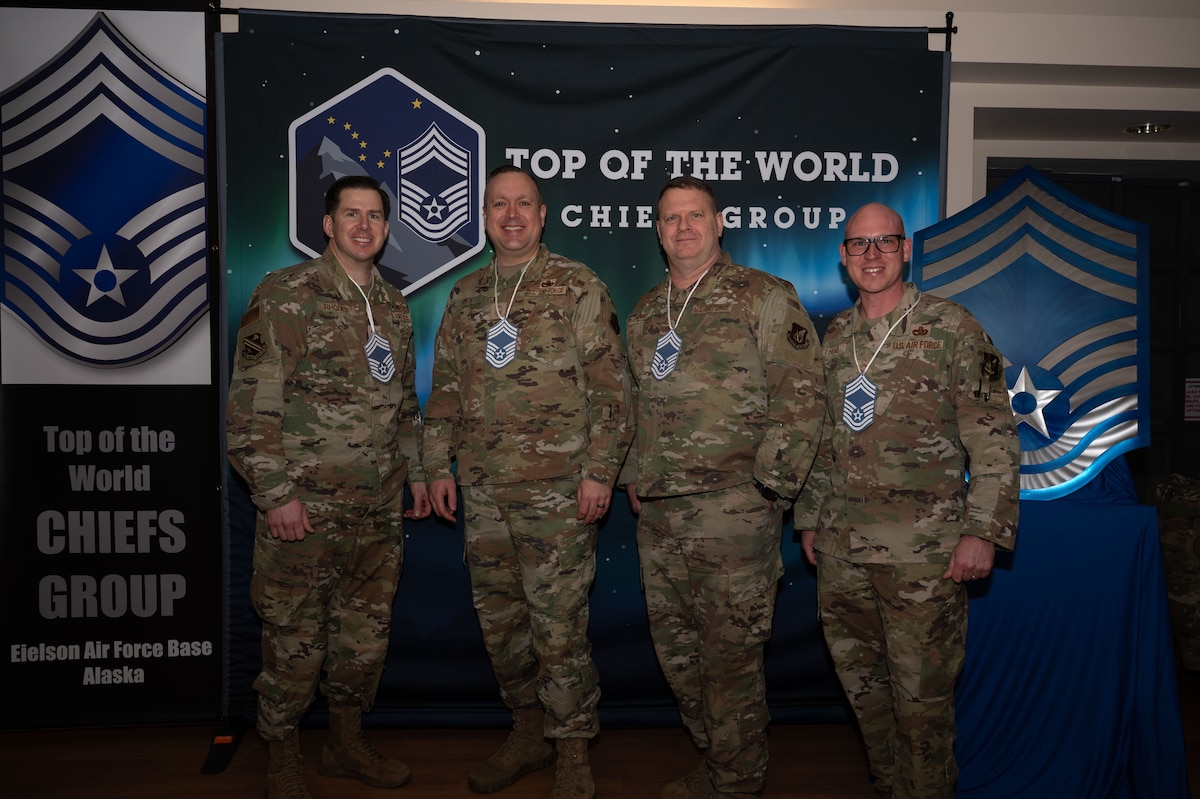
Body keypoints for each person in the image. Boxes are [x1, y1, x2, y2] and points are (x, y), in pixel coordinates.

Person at [796, 202, 1020, 799]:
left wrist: (983, 532)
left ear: (905, 249)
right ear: (843, 257)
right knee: (867, 698)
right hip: (843, 554)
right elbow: (823, 437)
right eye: (859, 245)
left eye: (885, 242)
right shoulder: (835, 337)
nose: (872, 255)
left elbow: (993, 438)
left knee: (922, 710)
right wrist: (810, 519)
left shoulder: (954, 329)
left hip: (924, 558)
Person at [423, 165, 632, 799]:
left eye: (524, 204)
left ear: (543, 216)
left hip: (560, 497)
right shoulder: (464, 296)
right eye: (498, 205)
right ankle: (528, 731)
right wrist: (436, 465)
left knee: (560, 626)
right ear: (484, 217)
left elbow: (613, 393)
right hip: (484, 495)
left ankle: (572, 749)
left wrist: (600, 472)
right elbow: (447, 392)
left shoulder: (577, 286)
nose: (511, 215)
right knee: (502, 624)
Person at [620, 175, 826, 799]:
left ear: (718, 224)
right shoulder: (646, 311)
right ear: (659, 232)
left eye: (695, 216)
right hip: (659, 519)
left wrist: (771, 487)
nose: (682, 228)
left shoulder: (762, 296)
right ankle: (724, 762)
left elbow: (805, 393)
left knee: (730, 658)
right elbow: (633, 401)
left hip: (735, 516)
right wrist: (632, 475)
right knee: (679, 655)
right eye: (670, 218)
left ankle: (737, 781)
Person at [227, 175, 430, 799]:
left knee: (363, 637)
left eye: (374, 216)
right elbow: (250, 410)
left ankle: (344, 742)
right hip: (305, 510)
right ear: (328, 224)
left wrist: (416, 474)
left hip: (376, 511)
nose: (364, 226)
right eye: (351, 215)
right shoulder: (287, 294)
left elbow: (402, 409)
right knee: (294, 637)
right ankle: (281, 750)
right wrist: (275, 495)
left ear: (388, 227)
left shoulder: (393, 305)